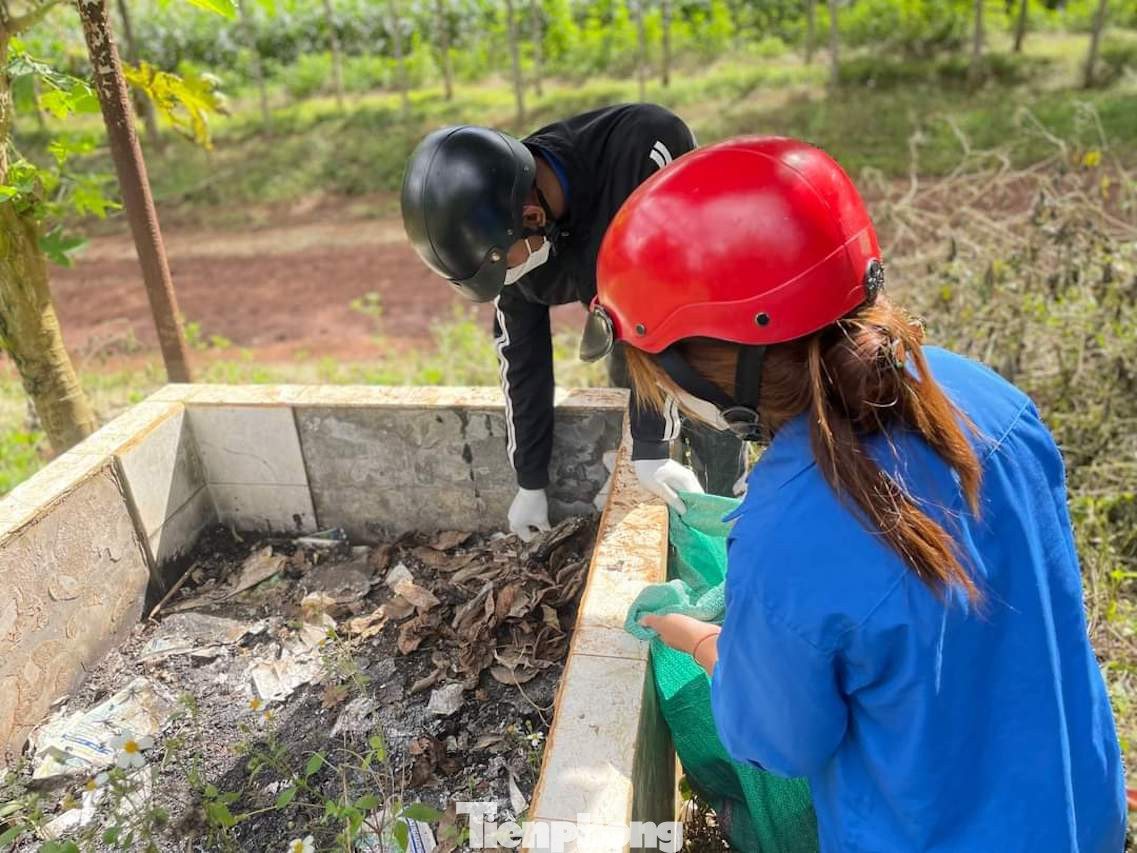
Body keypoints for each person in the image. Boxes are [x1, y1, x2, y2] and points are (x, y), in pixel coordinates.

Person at [583, 136, 1126, 850]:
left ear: (721, 371)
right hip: (1080, 814)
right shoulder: (984, 396)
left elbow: (781, 744)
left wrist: (703, 639)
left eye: (662, 375)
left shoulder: (786, 532)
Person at [400, 104, 745, 541]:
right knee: (624, 364)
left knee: (709, 403)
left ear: (532, 218)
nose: (506, 281)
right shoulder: (507, 233)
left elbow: (666, 302)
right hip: (624, 315)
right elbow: (522, 362)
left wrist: (652, 447)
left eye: (502, 270)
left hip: (705, 300)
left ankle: (731, 507)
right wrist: (530, 481)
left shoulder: (642, 150)